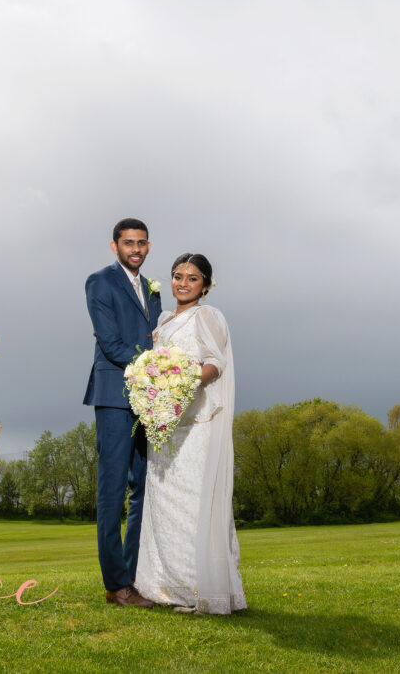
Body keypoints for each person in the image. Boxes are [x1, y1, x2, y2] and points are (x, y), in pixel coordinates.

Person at [134, 253, 247, 615]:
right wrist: (154, 384)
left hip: (195, 423)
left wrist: (182, 380)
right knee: (163, 506)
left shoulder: (209, 316)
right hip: (164, 424)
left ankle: (202, 589)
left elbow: (216, 363)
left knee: (194, 505)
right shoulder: (164, 321)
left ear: (205, 285)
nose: (183, 283)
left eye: (192, 278)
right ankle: (165, 587)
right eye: (177, 276)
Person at [84, 218, 163, 608]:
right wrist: (156, 368)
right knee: (112, 491)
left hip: (149, 399)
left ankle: (133, 577)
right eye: (128, 242)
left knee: (144, 488)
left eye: (142, 243)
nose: (136, 249)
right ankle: (116, 585)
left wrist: (166, 373)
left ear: (149, 247)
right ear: (114, 246)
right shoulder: (99, 281)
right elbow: (111, 342)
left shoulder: (152, 289)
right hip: (116, 395)